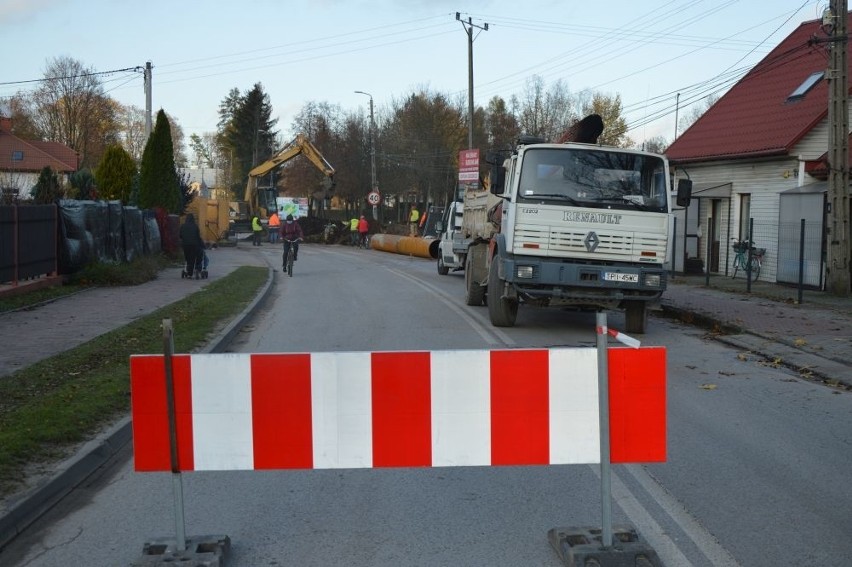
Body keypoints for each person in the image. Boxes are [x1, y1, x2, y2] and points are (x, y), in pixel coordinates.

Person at [179, 213, 204, 278]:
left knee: (188, 258)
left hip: (185, 245)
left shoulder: (183, 226)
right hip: (194, 245)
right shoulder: (195, 226)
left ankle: (189, 272)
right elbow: (198, 237)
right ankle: (194, 270)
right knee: (193, 257)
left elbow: (180, 236)